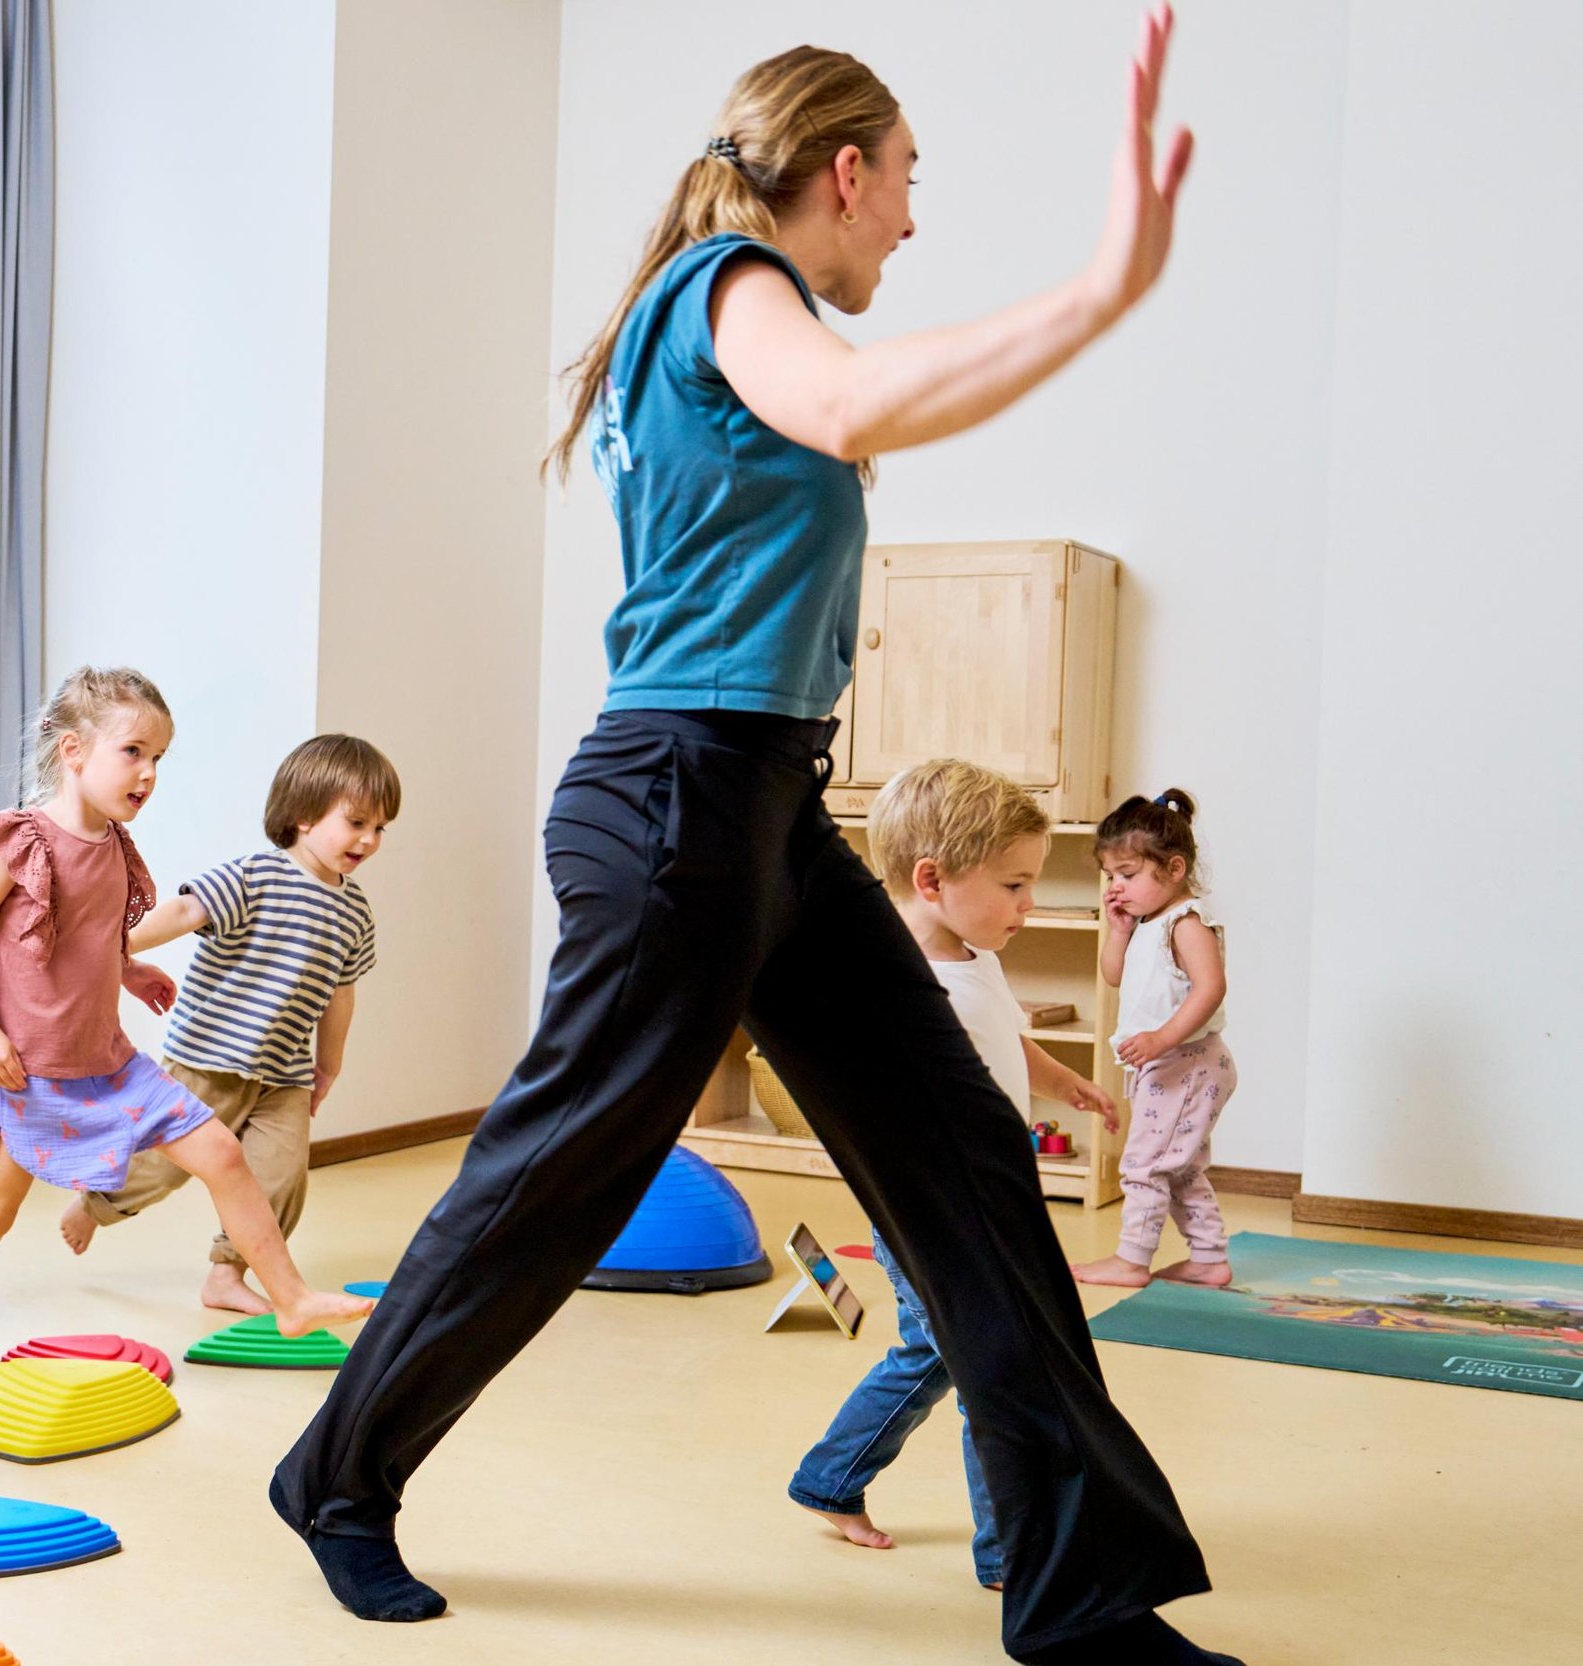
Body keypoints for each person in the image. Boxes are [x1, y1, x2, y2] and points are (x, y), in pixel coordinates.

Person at [270, 12, 1239, 1663]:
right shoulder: (737, 292)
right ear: (844, 174)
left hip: (768, 803)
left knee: (966, 1154)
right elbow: (851, 406)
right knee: (560, 1171)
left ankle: (1080, 1595)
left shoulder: (717, 308)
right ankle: (340, 1479)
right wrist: (1094, 293)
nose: (915, 223)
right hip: (676, 805)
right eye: (909, 187)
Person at [0, 667, 373, 1381]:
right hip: (29, 1067)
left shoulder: (117, 850)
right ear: (73, 752)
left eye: (158, 758)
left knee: (221, 1153)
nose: (148, 773)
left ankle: (291, 1298)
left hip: (110, 1060)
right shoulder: (23, 840)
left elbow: (83, 937)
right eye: (133, 752)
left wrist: (128, 971)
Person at [787, 759, 1116, 1592]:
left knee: (933, 1359)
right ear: (931, 880)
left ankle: (832, 1478)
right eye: (1014, 885)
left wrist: (1063, 1082)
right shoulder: (908, 988)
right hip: (929, 1215)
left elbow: (1009, 1039)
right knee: (986, 1374)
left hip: (980, 1209)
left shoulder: (974, 956)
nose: (1029, 904)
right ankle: (1008, 1554)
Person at [58, 734, 398, 1315]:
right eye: (357, 822)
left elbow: (343, 991)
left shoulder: (355, 909)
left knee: (281, 1176)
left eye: (380, 829)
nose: (368, 840)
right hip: (210, 1058)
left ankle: (227, 1274)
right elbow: (186, 911)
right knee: (161, 1168)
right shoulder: (254, 875)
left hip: (284, 1072)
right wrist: (113, 947)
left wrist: (330, 1062)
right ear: (303, 816)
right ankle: (95, 1205)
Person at [1074, 790, 1235, 1289]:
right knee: (1178, 1166)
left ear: (1173, 869)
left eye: (1127, 874)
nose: (1116, 887)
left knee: (1144, 1163)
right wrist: (1118, 931)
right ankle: (1208, 1259)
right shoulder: (1147, 923)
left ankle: (1131, 1260)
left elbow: (1211, 988)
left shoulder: (1187, 923)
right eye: (1110, 877)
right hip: (1165, 1064)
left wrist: (1161, 1039)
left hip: (1186, 1060)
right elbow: (1114, 976)